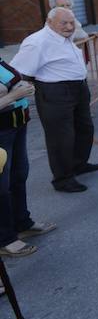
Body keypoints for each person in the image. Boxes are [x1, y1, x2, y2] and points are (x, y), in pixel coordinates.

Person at [11, 7, 98, 193]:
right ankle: (63, 179)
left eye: (71, 22)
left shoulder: (65, 36)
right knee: (61, 138)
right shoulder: (37, 42)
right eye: (64, 23)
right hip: (55, 92)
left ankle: (78, 164)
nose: (69, 27)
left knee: (84, 129)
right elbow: (18, 71)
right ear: (49, 22)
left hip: (78, 88)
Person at [0, 59, 56, 257]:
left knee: (18, 176)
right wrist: (14, 95)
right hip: (2, 131)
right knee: (1, 187)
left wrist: (23, 87)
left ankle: (22, 222)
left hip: (15, 125)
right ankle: (5, 239)